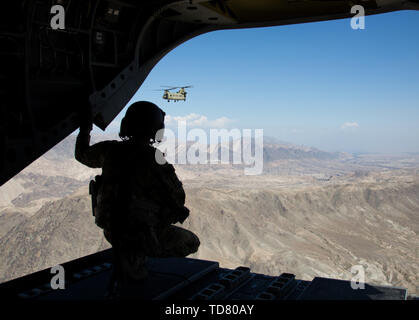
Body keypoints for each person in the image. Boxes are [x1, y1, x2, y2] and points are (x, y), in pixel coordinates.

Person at [75, 101, 200, 294]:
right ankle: (135, 268)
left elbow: (81, 154)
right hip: (140, 234)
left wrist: (85, 128)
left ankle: (131, 264)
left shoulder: (109, 150)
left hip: (111, 230)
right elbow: (177, 200)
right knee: (191, 241)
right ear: (156, 129)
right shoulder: (153, 158)